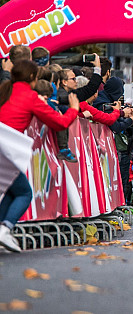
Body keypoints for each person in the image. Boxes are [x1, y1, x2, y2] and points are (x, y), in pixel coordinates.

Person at [0, 60, 80, 252]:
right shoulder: (30, 97)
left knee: (12, 191)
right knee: (24, 192)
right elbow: (59, 123)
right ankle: (5, 229)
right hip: (7, 149)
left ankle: (3, 228)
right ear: (31, 78)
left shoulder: (4, 90)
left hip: (4, 147)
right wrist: (74, 109)